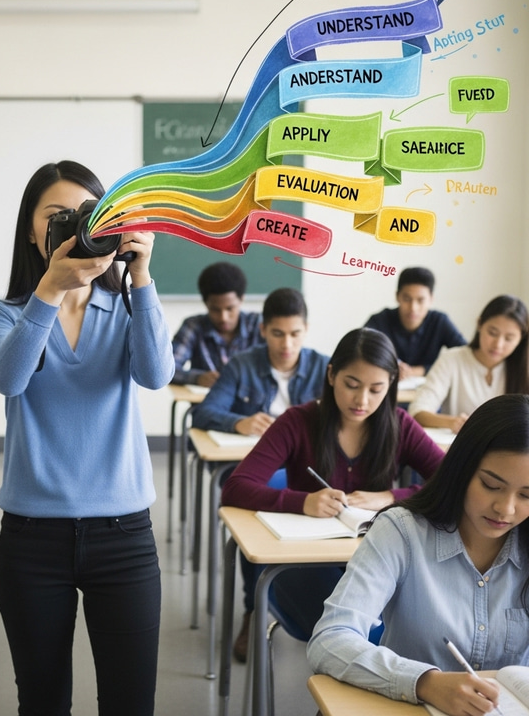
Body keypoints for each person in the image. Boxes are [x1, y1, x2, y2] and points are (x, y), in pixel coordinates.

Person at [0, 159, 174, 715]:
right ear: (31, 231)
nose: (73, 225)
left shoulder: (128, 306)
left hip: (124, 535)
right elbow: (9, 379)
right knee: (42, 703)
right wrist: (49, 291)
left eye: (87, 213)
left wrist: (142, 275)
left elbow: (156, 375)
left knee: (130, 703)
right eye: (55, 215)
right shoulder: (2, 314)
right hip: (33, 539)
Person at [221, 328, 446, 660]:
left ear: (391, 384)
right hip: (306, 562)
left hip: (377, 558)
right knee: (350, 635)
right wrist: (302, 501)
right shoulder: (297, 421)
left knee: (402, 625)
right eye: (351, 385)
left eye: (376, 389)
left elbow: (453, 482)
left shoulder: (399, 424)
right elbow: (235, 487)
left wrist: (391, 496)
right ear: (331, 375)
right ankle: (257, 614)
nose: (362, 400)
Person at [308, 393, 529, 716]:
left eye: (526, 495)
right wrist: (424, 682)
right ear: (462, 469)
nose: (505, 509)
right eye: (490, 485)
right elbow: (330, 639)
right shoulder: (402, 532)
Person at [191, 287, 328, 437]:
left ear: (306, 329)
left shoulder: (325, 367)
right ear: (263, 330)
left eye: (295, 334)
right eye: (278, 334)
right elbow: (203, 414)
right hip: (254, 449)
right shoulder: (241, 365)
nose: (287, 344)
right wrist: (239, 423)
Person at [409, 295, 529, 433]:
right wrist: (452, 422)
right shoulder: (452, 359)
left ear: (521, 338)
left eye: (509, 338)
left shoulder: (523, 369)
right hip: (458, 444)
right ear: (479, 324)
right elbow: (417, 411)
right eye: (492, 333)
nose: (498, 344)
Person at [171, 262, 263, 388]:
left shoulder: (259, 325)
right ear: (205, 303)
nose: (223, 317)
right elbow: (167, 370)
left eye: (230, 309)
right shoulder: (193, 326)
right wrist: (197, 378)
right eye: (215, 309)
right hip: (205, 400)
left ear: (241, 299)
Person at [364, 266, 466, 379]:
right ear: (397, 296)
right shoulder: (380, 320)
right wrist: (389, 367)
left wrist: (419, 371)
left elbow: (465, 354)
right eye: (407, 299)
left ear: (431, 299)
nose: (413, 308)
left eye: (421, 300)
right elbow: (361, 350)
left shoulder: (439, 321)